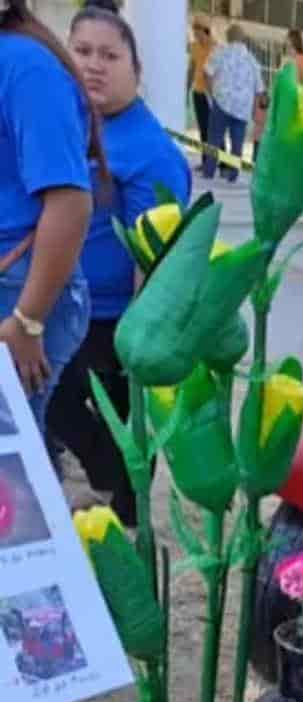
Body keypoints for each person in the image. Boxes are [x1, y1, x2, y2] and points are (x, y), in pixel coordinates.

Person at [47, 3, 190, 522]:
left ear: (136, 69)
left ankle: (123, 510)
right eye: (81, 51)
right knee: (71, 413)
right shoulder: (71, 124)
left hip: (116, 321)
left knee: (89, 413)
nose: (93, 64)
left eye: (110, 55)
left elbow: (157, 258)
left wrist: (142, 339)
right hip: (64, 301)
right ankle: (111, 497)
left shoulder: (150, 152)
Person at [0, 0, 94, 429]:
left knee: (10, 468)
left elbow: (70, 202)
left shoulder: (26, 66)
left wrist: (27, 320)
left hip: (20, 290)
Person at [202, 24, 263, 183]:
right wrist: (255, 110)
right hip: (242, 108)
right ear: (243, 39)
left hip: (221, 103)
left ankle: (209, 172)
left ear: (228, 37)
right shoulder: (252, 61)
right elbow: (259, 90)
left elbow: (207, 73)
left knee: (214, 139)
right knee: (237, 144)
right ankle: (232, 175)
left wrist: (211, 93)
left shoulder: (220, 53)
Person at [189, 14, 214, 169]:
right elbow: (191, 68)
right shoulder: (194, 47)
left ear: (204, 30)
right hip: (198, 92)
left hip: (211, 94)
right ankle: (206, 161)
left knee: (214, 130)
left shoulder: (215, 47)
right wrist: (187, 87)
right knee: (203, 129)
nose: (195, 35)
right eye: (194, 31)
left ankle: (221, 160)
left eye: (197, 31)